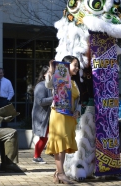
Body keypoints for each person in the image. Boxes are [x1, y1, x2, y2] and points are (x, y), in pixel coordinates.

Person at [45, 56, 81, 184]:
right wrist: (51, 71)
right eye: (74, 65)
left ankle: (58, 173)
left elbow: (78, 100)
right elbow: (48, 85)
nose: (77, 68)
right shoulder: (58, 79)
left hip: (70, 117)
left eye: (77, 65)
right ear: (66, 65)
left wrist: (77, 110)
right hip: (59, 115)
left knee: (64, 145)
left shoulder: (75, 82)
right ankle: (61, 173)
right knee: (59, 144)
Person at [31, 65, 53, 164]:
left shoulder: (53, 85)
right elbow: (41, 101)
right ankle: (36, 156)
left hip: (50, 116)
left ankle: (39, 155)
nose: (52, 74)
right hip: (42, 117)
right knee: (43, 137)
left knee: (47, 137)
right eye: (50, 72)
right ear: (44, 74)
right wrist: (55, 98)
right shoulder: (41, 86)